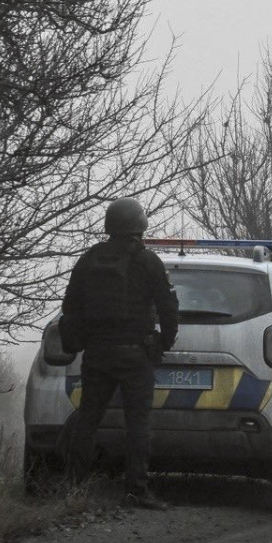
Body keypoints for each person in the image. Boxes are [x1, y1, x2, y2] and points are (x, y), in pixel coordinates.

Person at [58, 198, 179, 510]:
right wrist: (163, 343)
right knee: (137, 423)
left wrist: (79, 341)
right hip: (135, 354)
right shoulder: (148, 261)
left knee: (87, 420)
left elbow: (70, 307)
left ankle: (74, 488)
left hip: (97, 353)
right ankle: (136, 490)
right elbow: (168, 306)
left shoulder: (89, 259)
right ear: (140, 226)